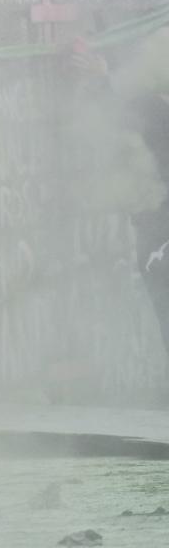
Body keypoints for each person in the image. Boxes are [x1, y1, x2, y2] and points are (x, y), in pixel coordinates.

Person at [73, 30, 169, 356]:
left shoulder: (155, 110)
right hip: (154, 224)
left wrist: (104, 80)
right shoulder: (154, 108)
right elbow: (125, 110)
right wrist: (104, 79)